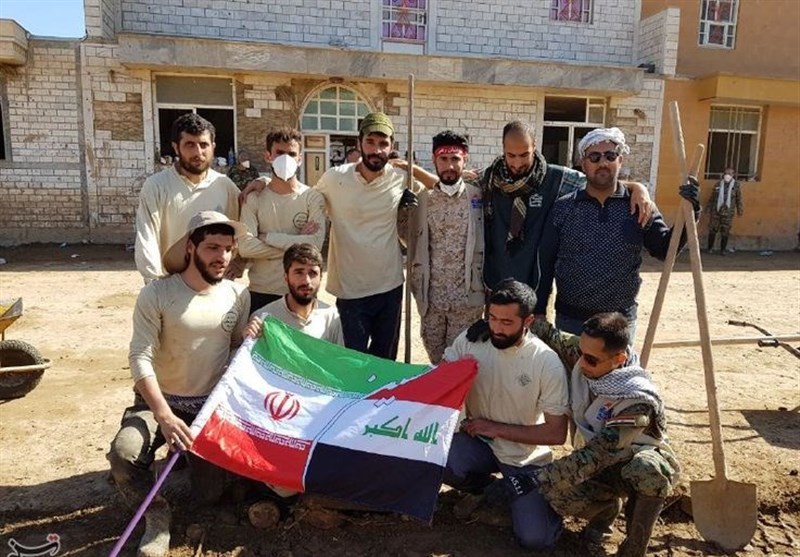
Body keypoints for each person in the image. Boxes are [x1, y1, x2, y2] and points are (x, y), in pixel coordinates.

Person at [108, 211, 250, 557]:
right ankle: (157, 517)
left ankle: (194, 469)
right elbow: (139, 356)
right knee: (124, 455)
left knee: (210, 493)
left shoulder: (237, 295)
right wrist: (165, 417)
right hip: (157, 404)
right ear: (190, 248)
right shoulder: (157, 293)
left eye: (228, 249)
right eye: (212, 247)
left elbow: (233, 347)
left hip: (207, 409)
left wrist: (249, 339)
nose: (222, 256)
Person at [501, 313, 680, 557]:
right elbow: (548, 332)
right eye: (581, 352)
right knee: (556, 494)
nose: (581, 363)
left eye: (591, 359)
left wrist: (533, 479)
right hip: (602, 468)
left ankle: (634, 548)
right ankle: (606, 511)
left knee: (646, 470)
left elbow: (595, 456)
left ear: (619, 359)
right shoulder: (585, 353)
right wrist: (498, 326)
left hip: (630, 464)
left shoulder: (637, 402)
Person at [414, 121, 653, 295]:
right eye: (511, 155)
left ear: (535, 146)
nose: (517, 163)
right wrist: (412, 170)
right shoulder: (488, 178)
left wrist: (637, 188)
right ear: (502, 149)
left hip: (535, 285)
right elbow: (445, 186)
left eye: (524, 155)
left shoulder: (557, 179)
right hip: (494, 282)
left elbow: (599, 183)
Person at [534, 127, 701, 338]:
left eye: (610, 156)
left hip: (620, 324)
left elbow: (665, 250)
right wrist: (539, 309)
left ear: (620, 160)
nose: (603, 162)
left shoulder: (639, 207)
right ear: (583, 164)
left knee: (620, 363)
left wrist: (690, 211)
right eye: (594, 157)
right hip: (572, 322)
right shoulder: (563, 208)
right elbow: (545, 262)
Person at [441, 279, 569, 550]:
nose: (497, 328)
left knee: (535, 539)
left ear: (528, 321)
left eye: (507, 322)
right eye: (492, 318)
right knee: (441, 459)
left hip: (523, 456)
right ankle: (488, 490)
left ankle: (539, 508)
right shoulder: (472, 339)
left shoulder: (545, 361)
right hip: (478, 443)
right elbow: (442, 375)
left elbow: (557, 433)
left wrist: (495, 428)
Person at [134, 113, 240, 283]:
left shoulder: (225, 186)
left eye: (204, 145)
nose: (198, 152)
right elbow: (147, 236)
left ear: (213, 146)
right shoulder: (157, 186)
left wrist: (239, 263)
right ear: (176, 147)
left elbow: (243, 229)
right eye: (190, 144)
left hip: (215, 287)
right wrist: (155, 281)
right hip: (171, 283)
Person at [408, 130, 485, 363]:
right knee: (435, 360)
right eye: (443, 159)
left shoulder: (478, 197)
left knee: (461, 361)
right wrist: (403, 213)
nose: (449, 166)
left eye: (455, 159)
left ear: (465, 160)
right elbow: (410, 241)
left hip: (466, 302)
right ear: (434, 160)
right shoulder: (423, 199)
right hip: (432, 301)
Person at [238, 127, 326, 311]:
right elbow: (246, 247)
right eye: (279, 153)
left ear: (300, 159)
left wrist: (267, 237)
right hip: (261, 291)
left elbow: (316, 244)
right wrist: (299, 244)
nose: (285, 159)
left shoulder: (312, 197)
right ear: (268, 156)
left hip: (301, 292)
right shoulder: (253, 197)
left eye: (292, 154)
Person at [245, 243, 343, 346]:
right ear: (286, 277)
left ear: (321, 277)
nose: (306, 281)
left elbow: (338, 355)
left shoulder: (332, 318)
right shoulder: (263, 319)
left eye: (313, 273)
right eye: (299, 272)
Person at [706, 167, 743, 254]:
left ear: (733, 175)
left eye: (730, 173)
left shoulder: (736, 185)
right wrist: (708, 208)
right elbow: (712, 197)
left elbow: (739, 199)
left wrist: (740, 210)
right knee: (713, 229)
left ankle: (722, 250)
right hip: (716, 211)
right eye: (726, 173)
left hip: (728, 213)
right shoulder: (718, 184)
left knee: (725, 231)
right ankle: (710, 248)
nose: (727, 175)